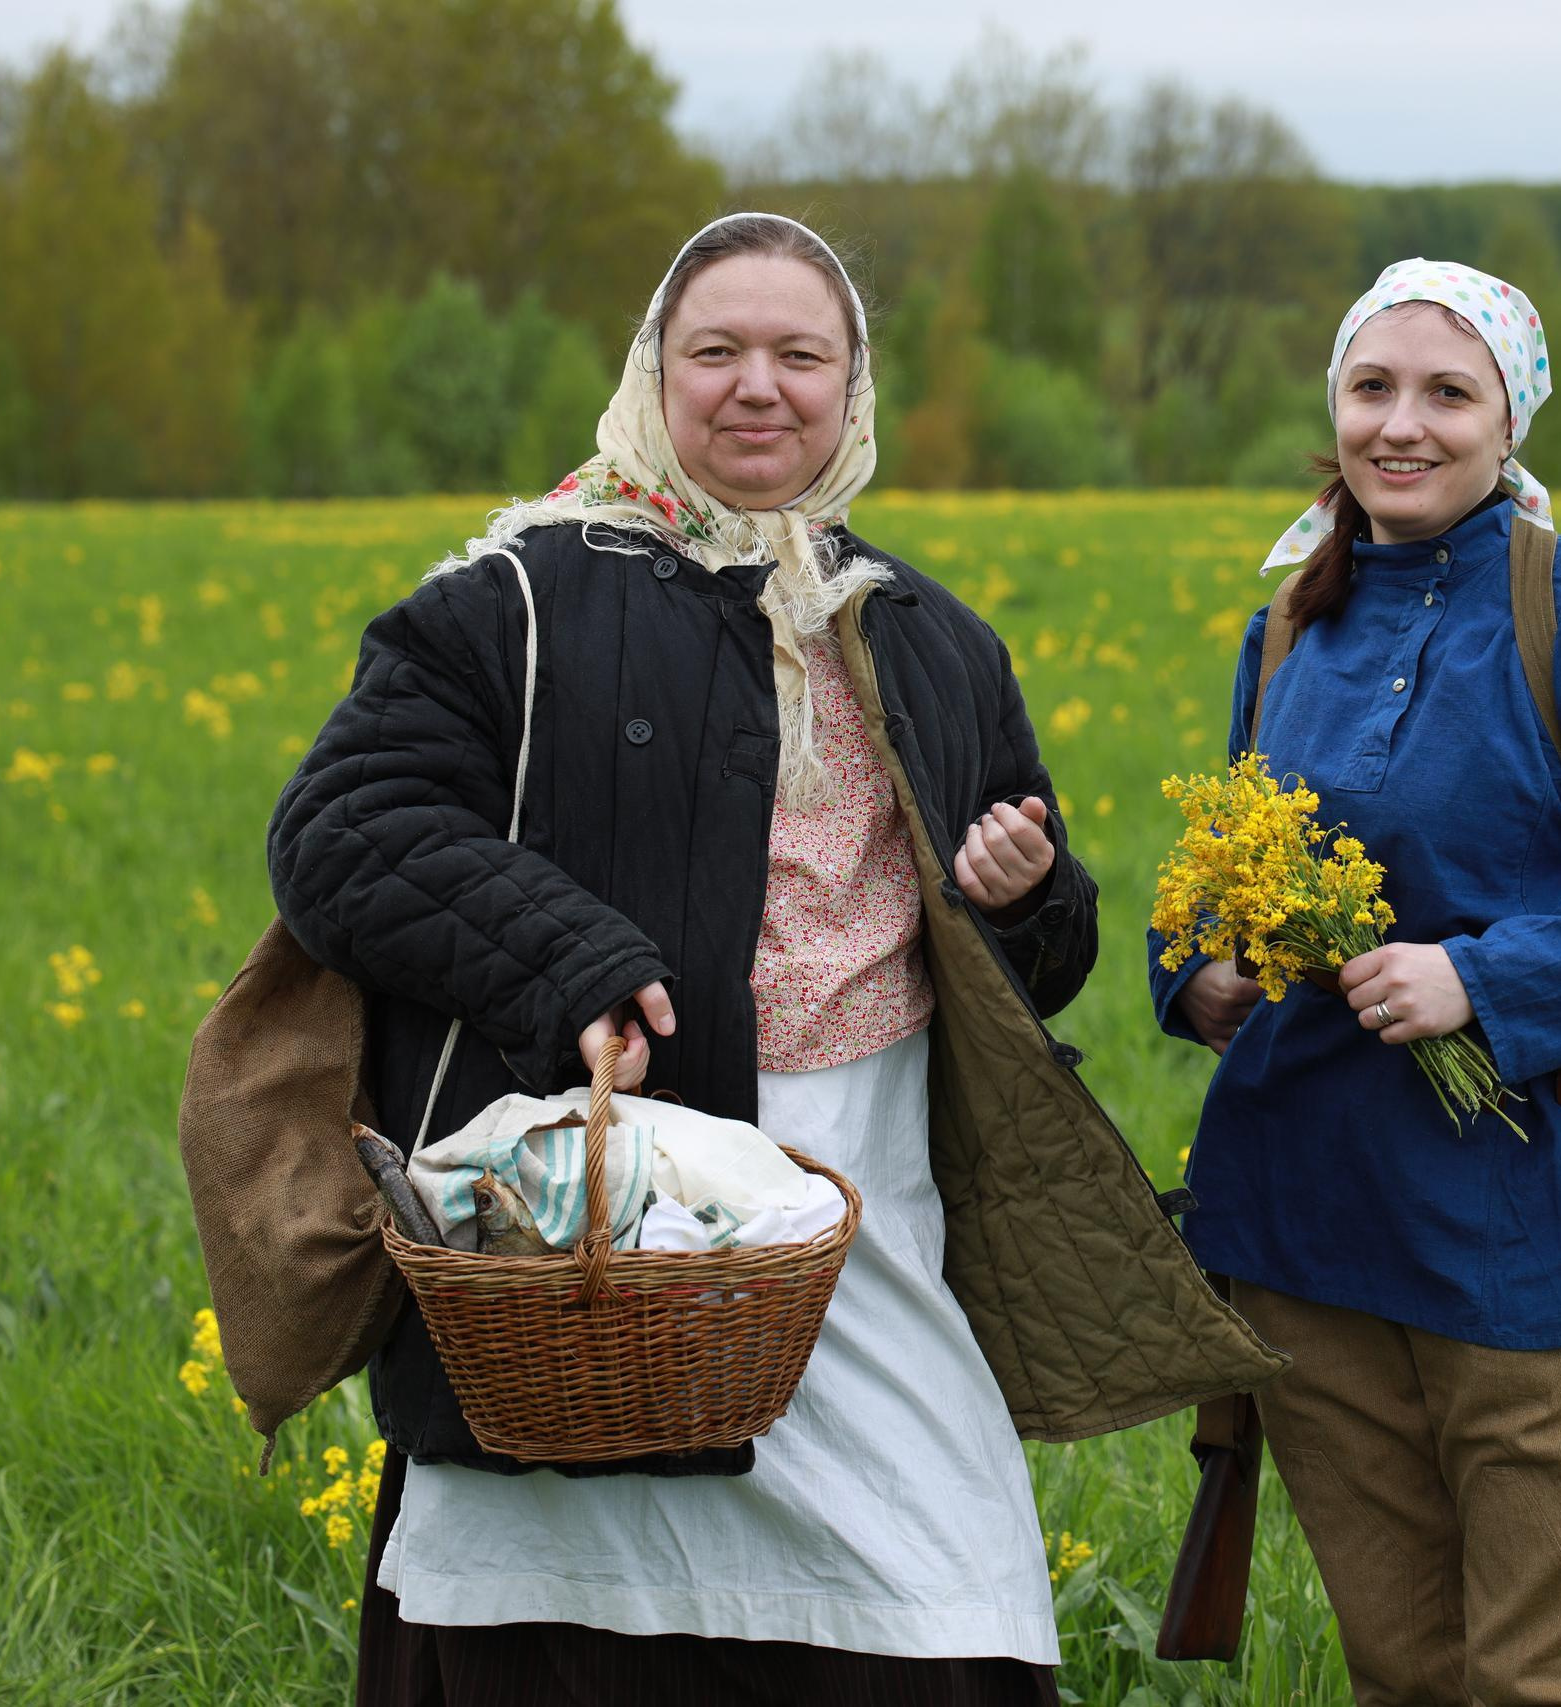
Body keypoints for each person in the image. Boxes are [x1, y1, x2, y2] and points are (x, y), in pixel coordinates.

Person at [271, 212, 1282, 1707]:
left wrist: (1028, 897)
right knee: (563, 1607)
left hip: (874, 1217)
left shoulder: (931, 636)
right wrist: (571, 963)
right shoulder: (515, 600)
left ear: (851, 386)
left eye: (801, 354)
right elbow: (344, 832)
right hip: (608, 1219)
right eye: (717, 352)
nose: (760, 386)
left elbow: (1045, 962)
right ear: (653, 375)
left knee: (939, 1594)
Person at [1150, 259, 1561, 1706]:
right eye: (1373, 388)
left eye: (1447, 392)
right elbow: (1238, 866)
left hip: (1537, 1237)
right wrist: (1203, 974)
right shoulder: (1296, 621)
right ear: (1336, 410)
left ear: (1510, 422)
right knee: (1402, 1667)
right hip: (1314, 1233)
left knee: (1547, 1673)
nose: (1400, 426)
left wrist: (1476, 980)